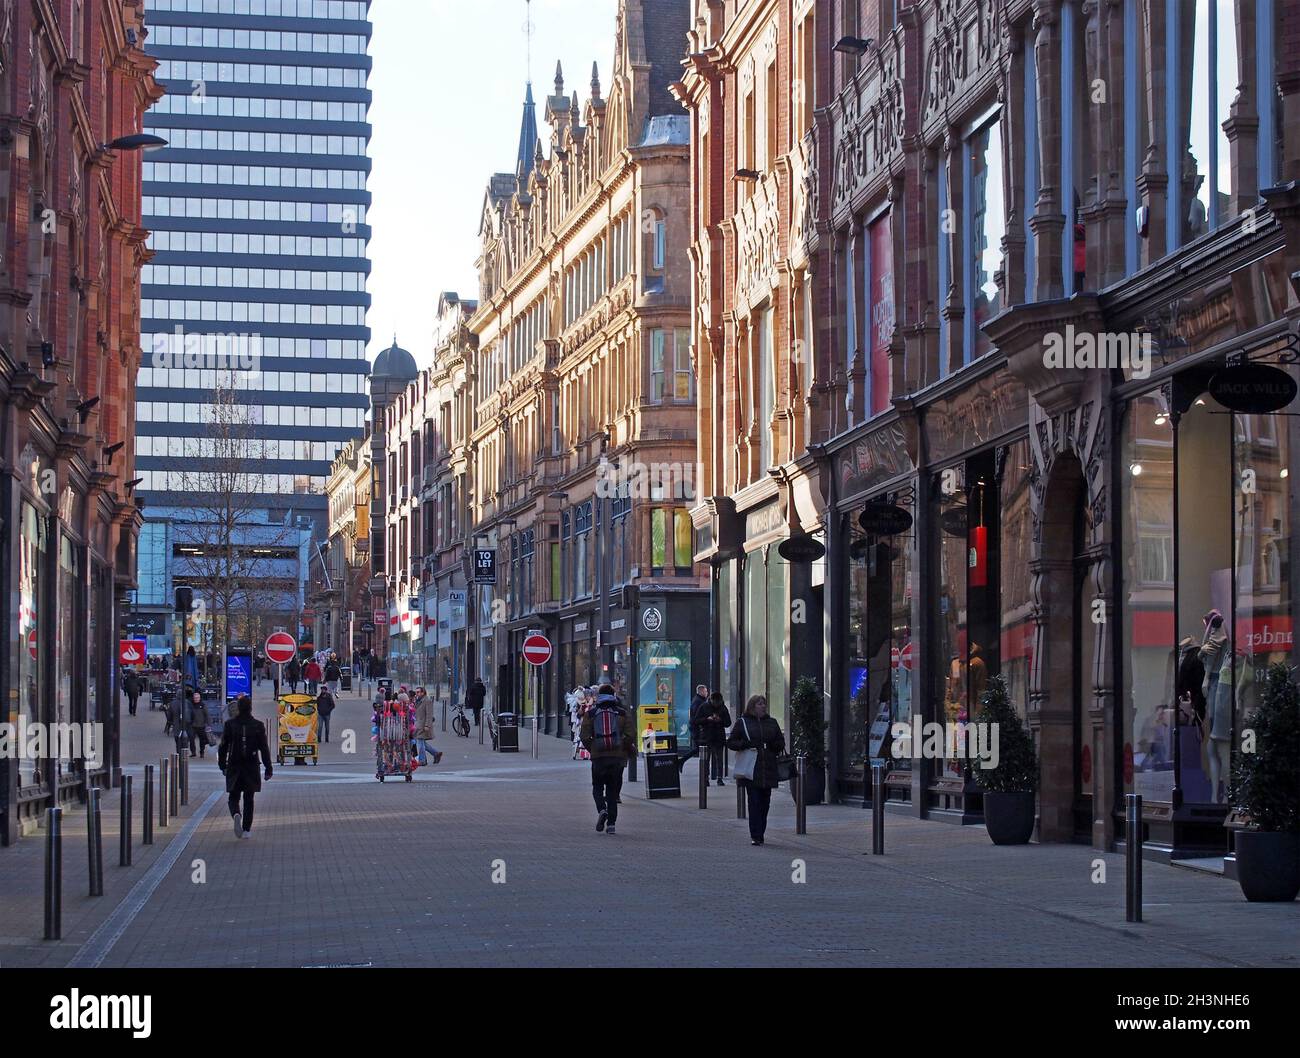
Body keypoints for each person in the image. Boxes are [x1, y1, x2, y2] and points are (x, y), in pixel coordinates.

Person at [726, 694, 785, 846]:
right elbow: (731, 742)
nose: (763, 706)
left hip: (769, 767)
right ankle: (755, 834)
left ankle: (761, 832)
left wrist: (775, 746)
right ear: (752, 707)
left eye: (764, 704)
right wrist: (745, 744)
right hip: (751, 768)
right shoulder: (743, 722)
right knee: (754, 801)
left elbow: (780, 741)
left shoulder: (772, 722)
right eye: (759, 704)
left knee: (765, 802)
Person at [580, 684, 634, 835]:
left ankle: (601, 809)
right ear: (613, 695)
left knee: (597, 787)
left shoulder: (591, 713)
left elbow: (584, 736)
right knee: (612, 790)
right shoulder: (622, 713)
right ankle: (611, 824)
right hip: (617, 758)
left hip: (599, 758)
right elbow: (631, 735)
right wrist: (620, 747)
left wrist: (594, 748)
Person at [218, 695, 273, 840]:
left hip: (234, 764)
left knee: (233, 796)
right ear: (250, 708)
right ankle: (247, 829)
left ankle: (236, 813)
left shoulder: (230, 725)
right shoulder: (258, 725)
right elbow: (264, 748)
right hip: (252, 765)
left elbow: (223, 747)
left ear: (238, 708)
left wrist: (222, 765)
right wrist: (268, 768)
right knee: (249, 798)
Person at [698, 691, 732, 786]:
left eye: (718, 703)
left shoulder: (723, 708)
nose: (717, 705)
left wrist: (720, 720)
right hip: (707, 736)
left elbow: (728, 722)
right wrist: (707, 719)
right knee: (706, 760)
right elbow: (696, 720)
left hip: (718, 737)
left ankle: (719, 778)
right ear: (711, 700)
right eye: (715, 703)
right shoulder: (704, 707)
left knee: (719, 759)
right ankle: (706, 778)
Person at [413, 690, 442, 766]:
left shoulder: (427, 701)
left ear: (423, 693)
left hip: (423, 725)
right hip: (418, 725)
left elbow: (429, 715)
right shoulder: (418, 701)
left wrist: (427, 725)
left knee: (419, 741)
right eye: (416, 692)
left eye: (418, 692)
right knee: (420, 742)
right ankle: (436, 753)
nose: (417, 693)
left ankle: (422, 760)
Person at [189, 692, 210, 758]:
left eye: (197, 698)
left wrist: (208, 724)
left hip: (201, 726)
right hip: (193, 726)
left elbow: (207, 715)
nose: (196, 699)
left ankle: (202, 752)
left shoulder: (203, 705)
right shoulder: (191, 705)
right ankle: (193, 752)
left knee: (202, 740)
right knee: (191, 739)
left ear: (200, 698)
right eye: (195, 698)